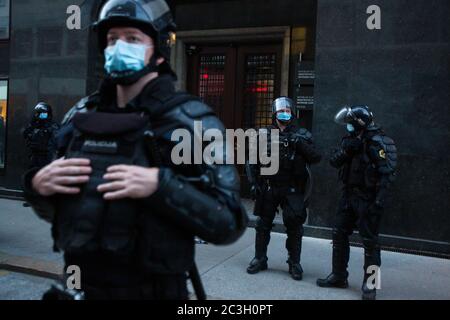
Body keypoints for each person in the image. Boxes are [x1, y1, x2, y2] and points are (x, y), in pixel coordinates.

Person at [23, 0, 247, 300]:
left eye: (132, 39)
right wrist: (37, 186)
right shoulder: (81, 116)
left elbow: (229, 223)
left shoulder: (191, 121)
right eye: (112, 39)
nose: (119, 47)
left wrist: (160, 186)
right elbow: (64, 211)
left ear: (158, 50)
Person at [316, 105, 397, 300]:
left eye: (350, 123)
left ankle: (371, 285)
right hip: (348, 197)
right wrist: (346, 152)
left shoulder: (378, 142)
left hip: (368, 200)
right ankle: (338, 276)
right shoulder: (350, 141)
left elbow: (387, 176)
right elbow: (333, 161)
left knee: (371, 243)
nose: (347, 126)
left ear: (358, 123)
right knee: (338, 233)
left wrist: (378, 202)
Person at [245, 97, 321, 280]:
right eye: (281, 111)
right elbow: (251, 161)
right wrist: (254, 183)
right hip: (269, 187)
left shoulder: (302, 134)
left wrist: (299, 143)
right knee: (263, 225)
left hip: (292, 188)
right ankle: (260, 258)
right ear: (274, 113)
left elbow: (316, 157)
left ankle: (294, 263)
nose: (284, 114)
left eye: (287, 111)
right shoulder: (263, 134)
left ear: (292, 113)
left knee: (295, 226)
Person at [23, 102, 60, 169]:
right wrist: (32, 125)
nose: (40, 116)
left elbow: (55, 145)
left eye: (43, 114)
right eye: (38, 114)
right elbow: (26, 135)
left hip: (46, 159)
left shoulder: (52, 127)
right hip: (34, 157)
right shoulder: (34, 126)